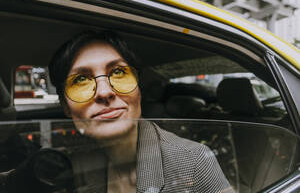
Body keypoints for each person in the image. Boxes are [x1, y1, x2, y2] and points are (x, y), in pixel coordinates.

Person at [48, 31, 234, 193]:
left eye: (119, 72)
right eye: (80, 79)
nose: (104, 92)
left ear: (138, 90)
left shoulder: (194, 160)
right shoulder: (77, 163)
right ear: (65, 105)